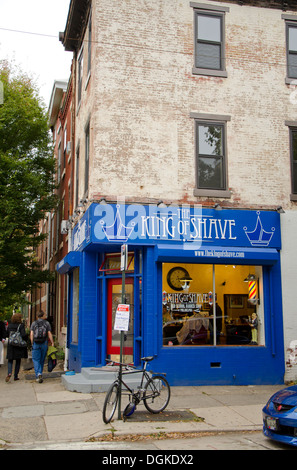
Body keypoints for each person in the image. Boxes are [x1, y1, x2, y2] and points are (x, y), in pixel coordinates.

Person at [30, 311, 54, 383]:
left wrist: (32, 342)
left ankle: (38, 374)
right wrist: (52, 342)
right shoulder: (46, 323)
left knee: (35, 359)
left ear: (37, 316)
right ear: (43, 315)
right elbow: (49, 333)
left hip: (36, 343)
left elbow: (31, 334)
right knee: (42, 359)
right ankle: (40, 373)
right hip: (44, 343)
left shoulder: (34, 323)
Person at [6, 313, 28, 382]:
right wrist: (26, 339)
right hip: (18, 345)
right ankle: (15, 376)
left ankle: (9, 373)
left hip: (11, 345)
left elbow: (7, 334)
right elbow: (23, 334)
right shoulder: (21, 325)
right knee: (18, 360)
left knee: (10, 360)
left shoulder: (9, 325)